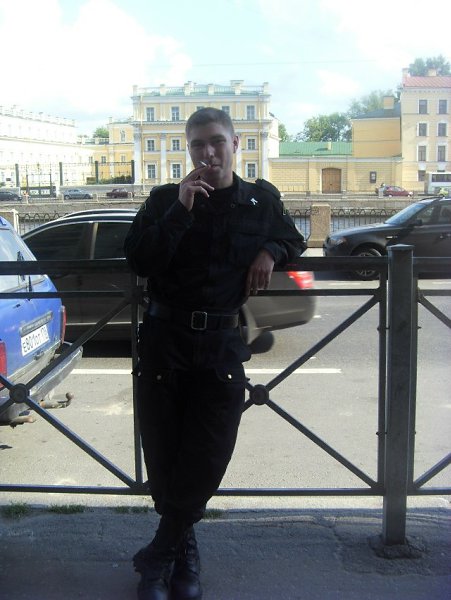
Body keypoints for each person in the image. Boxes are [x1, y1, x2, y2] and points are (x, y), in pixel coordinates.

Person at [124, 107, 306, 600]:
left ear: (235, 143)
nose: (208, 153)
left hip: (221, 348)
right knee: (163, 454)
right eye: (198, 145)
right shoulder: (165, 199)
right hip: (165, 344)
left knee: (208, 454)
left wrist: (270, 252)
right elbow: (139, 259)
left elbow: (294, 238)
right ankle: (182, 553)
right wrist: (180, 211)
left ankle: (159, 553)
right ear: (188, 150)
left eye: (217, 142)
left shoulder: (259, 200)